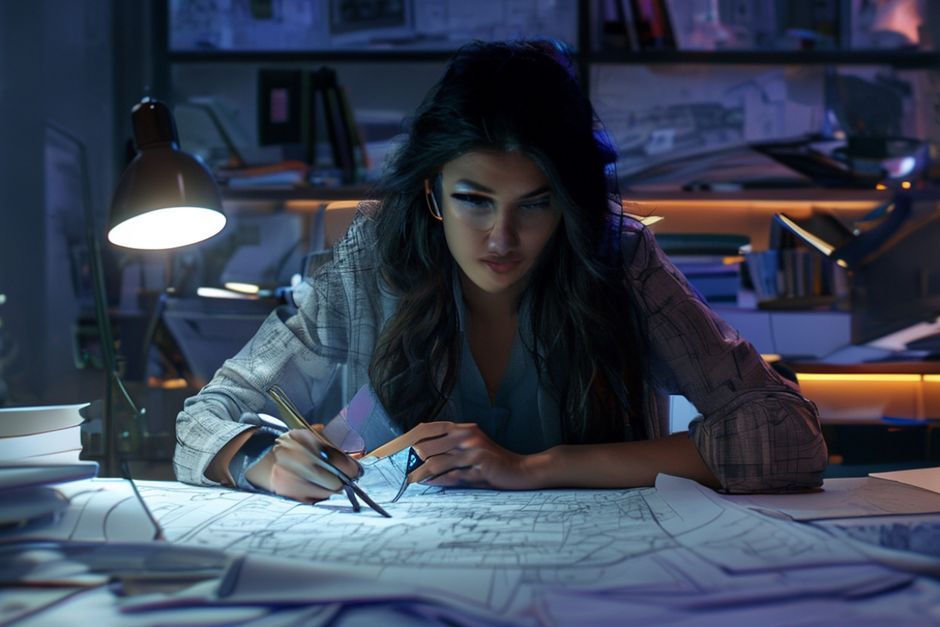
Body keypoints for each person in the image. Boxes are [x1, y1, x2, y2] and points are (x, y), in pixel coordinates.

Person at [174, 40, 827, 503]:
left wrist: (538, 467)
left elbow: (787, 434)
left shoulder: (620, 259)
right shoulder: (370, 263)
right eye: (473, 201)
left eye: (535, 204)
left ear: (569, 201)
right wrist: (262, 459)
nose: (502, 238)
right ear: (432, 191)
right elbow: (206, 416)